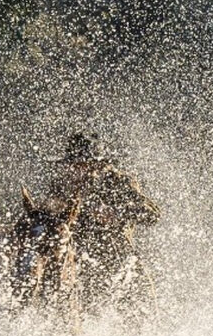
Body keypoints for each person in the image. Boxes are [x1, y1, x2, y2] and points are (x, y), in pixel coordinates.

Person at [45, 132, 160, 315]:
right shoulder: (61, 185)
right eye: (72, 165)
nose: (75, 170)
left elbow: (152, 214)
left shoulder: (118, 182)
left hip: (117, 258)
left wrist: (116, 213)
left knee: (142, 307)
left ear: (97, 165)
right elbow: (46, 217)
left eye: (82, 165)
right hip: (76, 261)